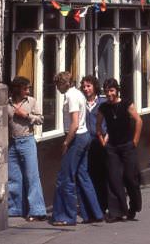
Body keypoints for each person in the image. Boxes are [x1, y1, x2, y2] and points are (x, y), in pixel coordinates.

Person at [51, 71, 104, 226]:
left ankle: (66, 216)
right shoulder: (79, 94)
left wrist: (66, 142)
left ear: (63, 83)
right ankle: (94, 213)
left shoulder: (70, 96)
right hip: (85, 136)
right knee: (82, 175)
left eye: (57, 85)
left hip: (76, 138)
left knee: (65, 178)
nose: (57, 88)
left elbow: (74, 123)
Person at [97, 78, 143, 222]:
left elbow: (139, 120)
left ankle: (134, 206)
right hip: (112, 148)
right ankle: (116, 212)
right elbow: (98, 126)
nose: (109, 93)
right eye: (106, 91)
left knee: (130, 178)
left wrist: (135, 140)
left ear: (116, 90)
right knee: (114, 179)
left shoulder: (126, 104)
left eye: (111, 90)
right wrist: (102, 141)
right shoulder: (103, 108)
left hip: (127, 146)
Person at [6, 76, 47, 222]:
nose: (28, 91)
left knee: (32, 176)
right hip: (12, 142)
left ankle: (37, 211)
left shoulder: (32, 102)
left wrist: (26, 115)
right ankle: (15, 208)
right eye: (25, 88)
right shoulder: (8, 103)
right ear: (18, 89)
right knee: (14, 177)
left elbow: (41, 119)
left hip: (27, 141)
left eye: (28, 88)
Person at [81, 74, 107, 214]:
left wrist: (106, 136)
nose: (86, 89)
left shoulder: (102, 102)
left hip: (100, 142)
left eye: (89, 86)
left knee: (101, 174)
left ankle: (103, 205)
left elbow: (108, 122)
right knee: (88, 174)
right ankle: (91, 206)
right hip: (86, 142)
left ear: (95, 87)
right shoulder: (81, 103)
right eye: (84, 86)